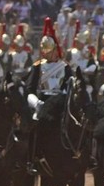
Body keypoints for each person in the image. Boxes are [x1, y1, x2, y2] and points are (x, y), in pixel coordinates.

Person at [25, 17, 73, 175]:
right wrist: (36, 103)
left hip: (60, 102)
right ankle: (31, 159)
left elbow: (69, 86)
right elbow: (29, 89)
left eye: (49, 50)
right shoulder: (37, 67)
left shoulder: (65, 67)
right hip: (42, 103)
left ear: (55, 50)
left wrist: (65, 96)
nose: (46, 54)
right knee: (33, 125)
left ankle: (79, 154)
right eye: (44, 51)